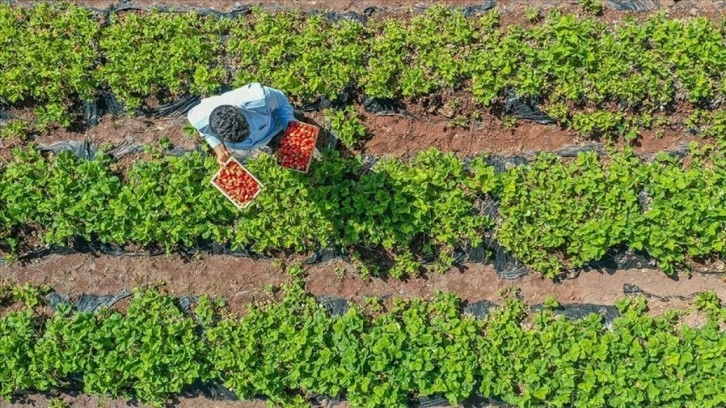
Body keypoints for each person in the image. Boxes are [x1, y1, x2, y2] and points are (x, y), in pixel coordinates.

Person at [187, 82, 297, 165]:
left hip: (274, 125)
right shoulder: (199, 118)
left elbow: (282, 102)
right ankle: (269, 144)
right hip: (258, 141)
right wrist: (220, 151)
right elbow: (206, 133)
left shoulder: (259, 99)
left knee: (297, 120)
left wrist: (290, 127)